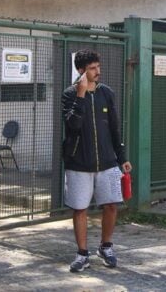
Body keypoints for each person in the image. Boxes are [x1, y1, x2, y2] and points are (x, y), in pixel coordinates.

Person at [62, 49, 132, 272]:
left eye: (98, 67)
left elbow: (114, 128)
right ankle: (82, 254)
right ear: (81, 70)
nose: (98, 71)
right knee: (80, 209)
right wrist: (81, 94)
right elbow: (72, 125)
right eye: (92, 68)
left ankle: (106, 246)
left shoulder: (107, 93)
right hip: (79, 162)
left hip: (108, 162)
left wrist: (122, 158)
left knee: (111, 205)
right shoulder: (69, 94)